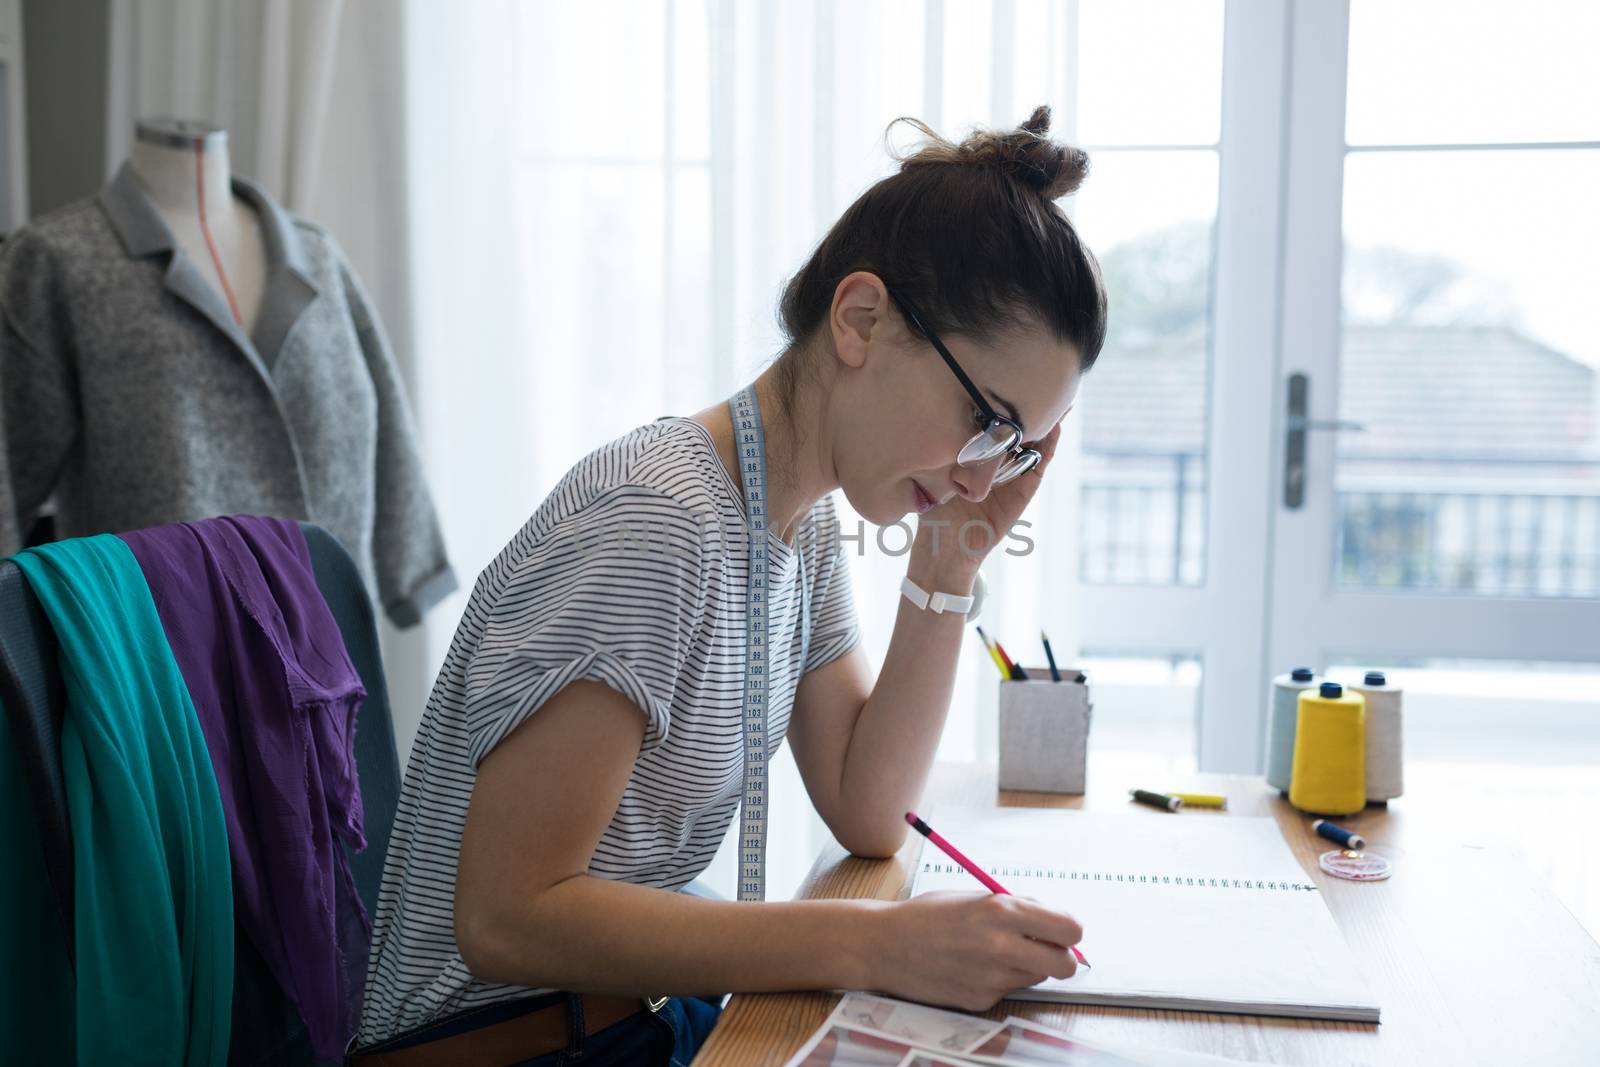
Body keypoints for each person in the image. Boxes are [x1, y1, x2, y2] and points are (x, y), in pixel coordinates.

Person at [351, 104, 1108, 1067]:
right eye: (984, 419)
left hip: (625, 1024)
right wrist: (879, 944)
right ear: (862, 320)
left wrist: (947, 563)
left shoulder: (798, 517)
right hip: (512, 1047)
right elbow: (507, 916)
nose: (981, 472)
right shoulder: (656, 517)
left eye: (1013, 448)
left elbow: (865, 805)